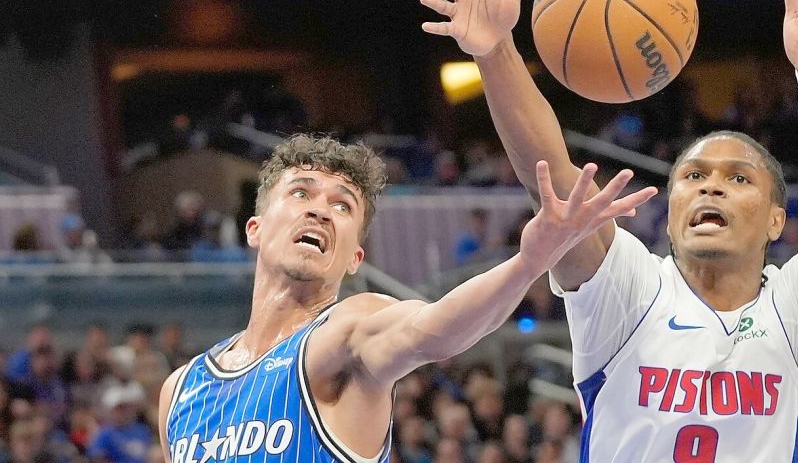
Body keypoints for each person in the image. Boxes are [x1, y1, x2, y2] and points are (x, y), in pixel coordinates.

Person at [422, 0, 798, 461]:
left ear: (776, 220)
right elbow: (552, 176)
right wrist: (495, 51)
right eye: (694, 176)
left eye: (738, 177)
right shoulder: (632, 289)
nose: (711, 186)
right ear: (671, 215)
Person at [158, 134, 656, 463]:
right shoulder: (180, 390)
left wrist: (528, 263)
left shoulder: (346, 332)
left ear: (355, 258)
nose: (321, 211)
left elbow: (432, 330)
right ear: (254, 228)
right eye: (302, 193)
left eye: (342, 205)